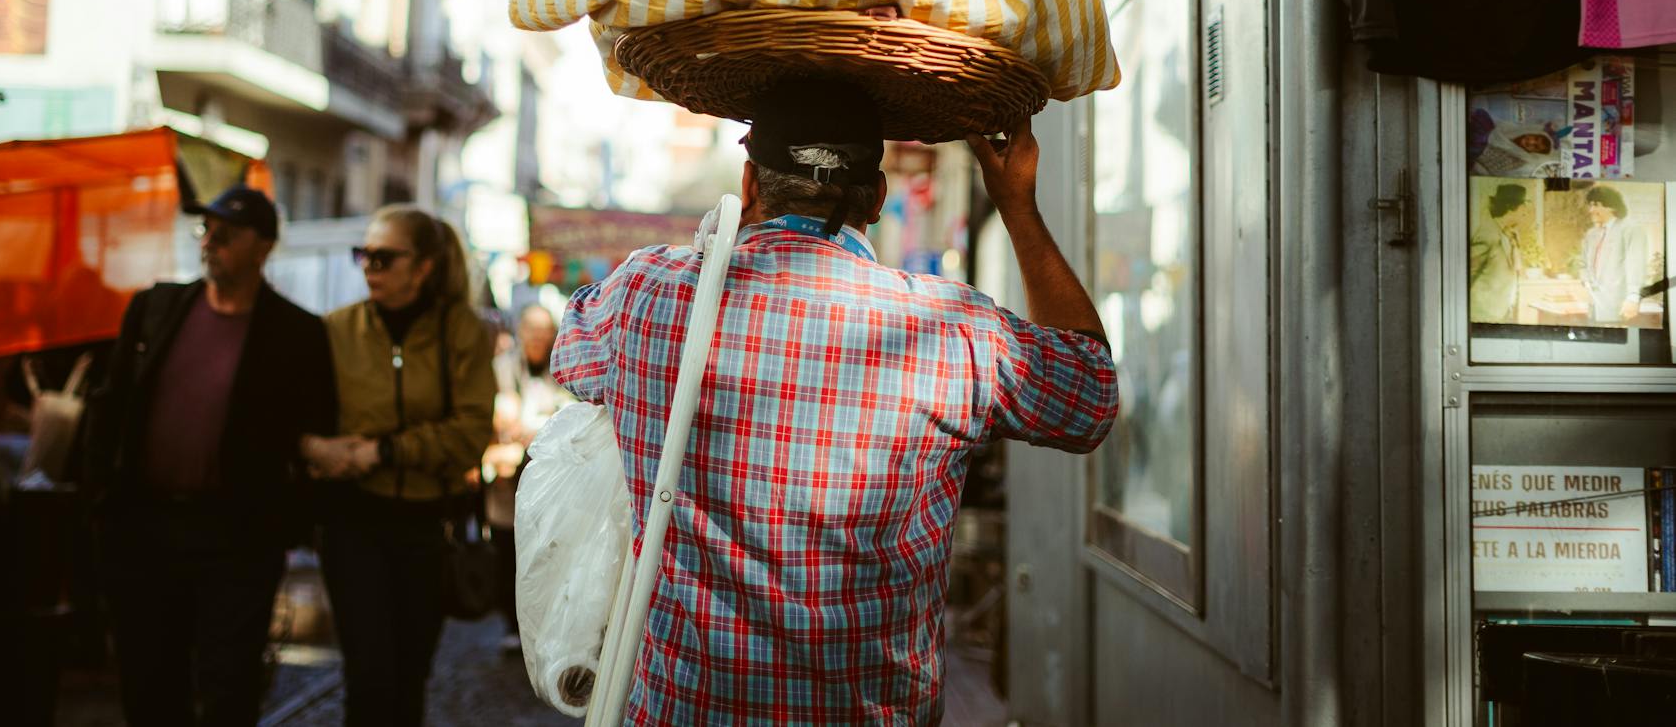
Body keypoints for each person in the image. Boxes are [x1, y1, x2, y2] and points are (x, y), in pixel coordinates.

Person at [550, 77, 1118, 724]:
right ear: (875, 198)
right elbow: (1090, 397)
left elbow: (570, 356)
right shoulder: (952, 329)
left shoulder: (645, 294)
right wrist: (1017, 207)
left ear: (748, 186)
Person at [80, 185, 333, 727]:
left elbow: (313, 432)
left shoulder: (297, 333)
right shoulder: (156, 307)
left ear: (263, 246)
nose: (211, 241)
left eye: (228, 232)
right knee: (148, 683)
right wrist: (102, 500)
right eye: (206, 229)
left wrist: (285, 526)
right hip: (145, 528)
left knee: (228, 686)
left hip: (236, 539)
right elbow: (109, 403)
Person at [301, 204, 494, 727]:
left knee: (409, 676)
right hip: (352, 522)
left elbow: (472, 432)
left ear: (424, 266)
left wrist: (383, 452)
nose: (369, 267)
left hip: (427, 526)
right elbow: (301, 417)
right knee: (367, 675)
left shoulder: (464, 332)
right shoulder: (336, 329)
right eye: (364, 255)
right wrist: (314, 448)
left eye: (384, 258)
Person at [484, 302, 569, 653]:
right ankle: (511, 624)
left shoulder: (562, 367)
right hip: (506, 476)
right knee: (507, 550)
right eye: (531, 329)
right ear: (520, 331)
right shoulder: (501, 368)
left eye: (544, 330)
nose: (537, 337)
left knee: (545, 552)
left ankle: (544, 625)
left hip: (550, 476)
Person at [1578, 185, 1649, 324]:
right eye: (1590, 205)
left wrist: (1633, 298)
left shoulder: (1632, 230)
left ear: (1612, 207)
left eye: (1596, 205)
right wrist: (1586, 281)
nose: (1591, 210)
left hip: (1620, 306)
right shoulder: (1591, 234)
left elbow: (1636, 266)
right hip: (1594, 305)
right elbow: (1582, 264)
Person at [1469, 182, 1528, 324]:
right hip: (1484, 313)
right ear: (1511, 207)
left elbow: (1518, 270)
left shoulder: (1511, 233)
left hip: (1503, 311)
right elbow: (1468, 272)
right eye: (1522, 208)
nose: (1524, 212)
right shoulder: (1487, 234)